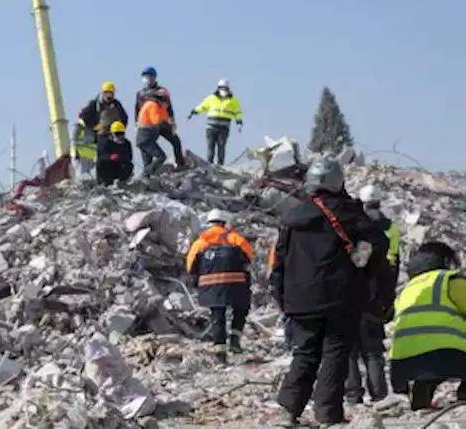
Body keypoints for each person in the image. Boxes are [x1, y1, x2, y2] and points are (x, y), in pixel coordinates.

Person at [270, 157, 390, 427]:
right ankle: (328, 414)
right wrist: (368, 277)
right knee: (335, 353)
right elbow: (377, 246)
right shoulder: (350, 213)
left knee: (305, 352)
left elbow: (279, 260)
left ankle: (288, 411)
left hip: (300, 299)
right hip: (341, 296)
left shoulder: (293, 216)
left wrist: (282, 296)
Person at [390, 241, 466, 410]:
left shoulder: (407, 289)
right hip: (442, 354)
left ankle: (422, 393)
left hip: (403, 361)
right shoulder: (446, 280)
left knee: (430, 348)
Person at [345, 184, 401, 405]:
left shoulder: (354, 226)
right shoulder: (391, 228)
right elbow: (394, 264)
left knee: (350, 351)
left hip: (352, 296)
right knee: (373, 349)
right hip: (377, 294)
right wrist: (387, 299)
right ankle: (379, 395)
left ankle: (353, 396)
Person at [186, 209, 254, 363]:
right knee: (241, 310)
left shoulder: (200, 243)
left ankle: (220, 354)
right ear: (224, 223)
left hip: (211, 287)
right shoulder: (236, 239)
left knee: (218, 317)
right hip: (237, 285)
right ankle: (235, 339)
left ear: (208, 224)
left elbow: (190, 267)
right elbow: (249, 258)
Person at [73, 82, 128, 179]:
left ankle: (119, 177)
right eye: (108, 93)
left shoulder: (116, 104)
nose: (110, 95)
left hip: (113, 134)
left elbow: (124, 117)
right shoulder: (94, 104)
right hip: (101, 134)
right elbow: (84, 116)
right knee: (103, 157)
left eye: (112, 93)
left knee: (118, 155)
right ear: (103, 93)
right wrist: (94, 127)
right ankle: (101, 179)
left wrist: (120, 129)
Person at [133, 67, 183, 175]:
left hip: (161, 122)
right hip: (148, 124)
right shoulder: (140, 93)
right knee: (148, 151)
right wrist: (136, 123)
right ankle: (148, 174)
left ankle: (181, 164)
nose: (147, 79)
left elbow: (168, 106)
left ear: (154, 77)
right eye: (145, 76)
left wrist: (172, 120)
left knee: (175, 141)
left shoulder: (162, 91)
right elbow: (137, 108)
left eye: (150, 76)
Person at [187, 79, 243, 165]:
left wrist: (239, 122)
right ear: (218, 88)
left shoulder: (233, 100)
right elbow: (202, 106)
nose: (223, 90)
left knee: (221, 147)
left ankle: (220, 166)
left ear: (228, 89)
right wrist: (194, 112)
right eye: (222, 88)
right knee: (210, 148)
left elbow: (238, 112)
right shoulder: (211, 98)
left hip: (224, 128)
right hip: (211, 127)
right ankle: (209, 165)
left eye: (225, 88)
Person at [95, 121, 134, 186]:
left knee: (129, 165)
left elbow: (129, 157)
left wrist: (120, 157)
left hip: (120, 166)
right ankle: (105, 183)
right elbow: (102, 155)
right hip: (109, 167)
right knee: (100, 163)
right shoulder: (106, 143)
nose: (120, 136)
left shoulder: (127, 143)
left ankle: (122, 182)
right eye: (117, 133)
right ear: (112, 134)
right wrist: (110, 157)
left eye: (122, 133)